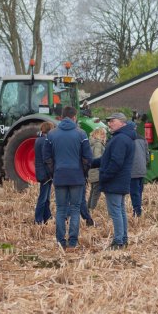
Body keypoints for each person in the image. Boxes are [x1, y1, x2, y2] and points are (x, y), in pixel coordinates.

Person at [45, 106, 92, 251]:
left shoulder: (51, 134)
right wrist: (83, 172)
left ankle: (60, 242)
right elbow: (88, 158)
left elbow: (46, 157)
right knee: (75, 209)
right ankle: (72, 243)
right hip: (77, 177)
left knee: (60, 209)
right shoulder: (81, 134)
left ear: (61, 116)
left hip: (59, 176)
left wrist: (54, 172)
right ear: (74, 117)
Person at [92, 112, 135, 249]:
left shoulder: (120, 139)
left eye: (112, 121)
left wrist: (105, 176)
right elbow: (106, 159)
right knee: (120, 211)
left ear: (122, 122)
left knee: (116, 212)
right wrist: (91, 163)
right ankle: (123, 239)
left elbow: (116, 162)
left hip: (114, 181)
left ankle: (118, 241)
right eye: (109, 121)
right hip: (120, 181)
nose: (109, 123)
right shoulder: (123, 137)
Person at [34, 122, 54, 224]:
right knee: (43, 198)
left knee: (46, 198)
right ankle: (38, 219)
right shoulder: (44, 141)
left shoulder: (39, 140)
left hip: (43, 173)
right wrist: (51, 172)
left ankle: (47, 217)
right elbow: (46, 159)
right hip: (45, 174)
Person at [130, 128, 149, 216]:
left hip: (133, 169)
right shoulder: (143, 139)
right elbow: (147, 155)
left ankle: (137, 212)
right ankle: (138, 210)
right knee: (139, 191)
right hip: (142, 169)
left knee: (134, 192)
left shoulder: (128, 139)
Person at [87, 127, 107, 209]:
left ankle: (88, 209)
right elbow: (97, 157)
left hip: (92, 171)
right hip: (97, 171)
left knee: (93, 192)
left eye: (104, 134)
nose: (104, 136)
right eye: (102, 134)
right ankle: (92, 210)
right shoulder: (98, 144)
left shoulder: (91, 143)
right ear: (97, 134)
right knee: (96, 193)